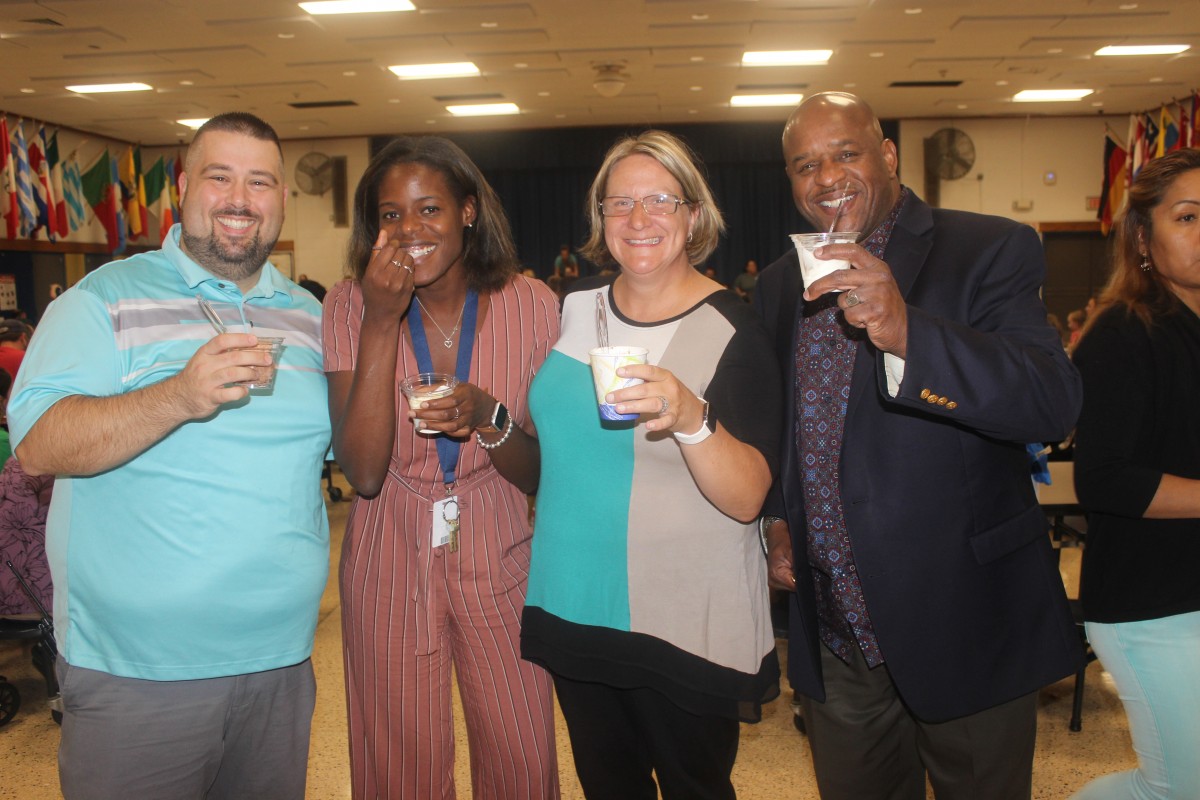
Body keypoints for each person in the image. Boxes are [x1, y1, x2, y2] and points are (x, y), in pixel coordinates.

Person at [755, 92, 1083, 800]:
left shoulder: (988, 247)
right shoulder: (780, 285)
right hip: (838, 631)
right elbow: (789, 426)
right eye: (804, 164)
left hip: (963, 617)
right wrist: (780, 518)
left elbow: (1051, 403)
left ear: (889, 156)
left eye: (846, 154)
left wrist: (909, 332)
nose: (826, 178)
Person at [6, 112, 330, 798]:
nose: (240, 199)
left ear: (280, 199)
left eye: (260, 181)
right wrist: (178, 395)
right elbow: (39, 446)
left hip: (281, 664)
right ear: (183, 189)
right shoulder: (102, 301)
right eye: (220, 177)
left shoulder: (310, 317)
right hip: (137, 673)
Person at [520, 130, 783, 800]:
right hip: (576, 597)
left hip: (682, 615)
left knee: (695, 788)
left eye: (660, 201)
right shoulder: (575, 307)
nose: (638, 220)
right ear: (599, 218)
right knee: (610, 787)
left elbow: (749, 495)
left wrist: (693, 418)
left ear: (694, 215)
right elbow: (555, 433)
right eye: (619, 204)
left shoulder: (732, 329)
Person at [323, 135, 560, 799]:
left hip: (501, 547)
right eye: (390, 216)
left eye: (428, 208)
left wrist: (490, 417)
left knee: (521, 752)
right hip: (389, 548)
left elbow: (542, 474)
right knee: (400, 763)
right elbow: (363, 471)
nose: (409, 230)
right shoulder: (347, 304)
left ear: (468, 211)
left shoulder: (533, 305)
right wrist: (379, 320)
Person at [1070, 148, 1200, 800]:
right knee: (1179, 787)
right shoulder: (1123, 333)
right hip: (1154, 605)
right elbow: (1106, 480)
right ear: (1143, 238)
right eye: (1188, 216)